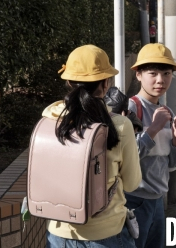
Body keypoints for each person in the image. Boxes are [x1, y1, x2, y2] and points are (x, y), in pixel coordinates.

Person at [45, 45, 142, 248]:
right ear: (106, 84)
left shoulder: (49, 121)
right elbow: (132, 184)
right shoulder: (119, 125)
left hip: (59, 232)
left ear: (69, 82)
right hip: (106, 233)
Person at [126, 44, 176, 248]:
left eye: (166, 73)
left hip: (157, 199)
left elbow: (172, 165)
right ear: (139, 75)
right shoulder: (131, 108)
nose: (160, 80)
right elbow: (126, 156)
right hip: (132, 199)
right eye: (153, 73)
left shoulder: (166, 111)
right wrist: (153, 129)